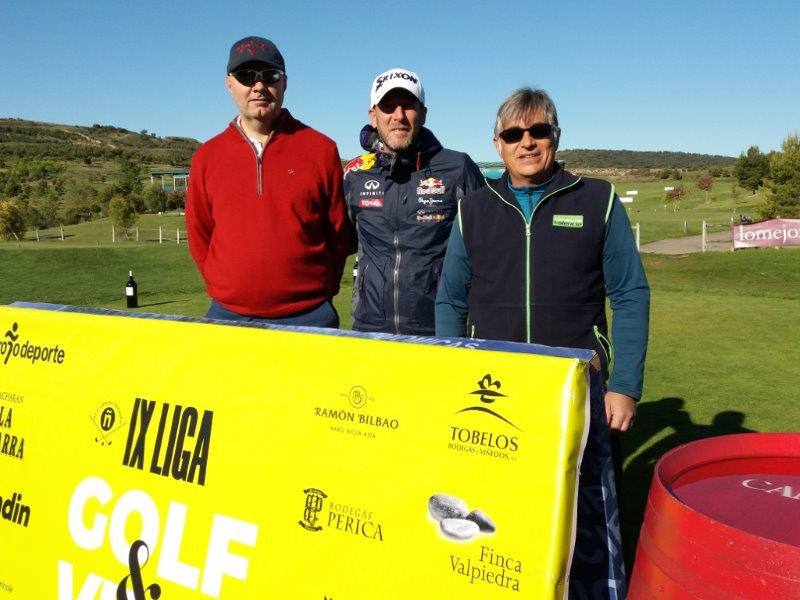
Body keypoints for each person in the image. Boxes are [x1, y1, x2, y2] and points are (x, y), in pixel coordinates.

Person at [435, 87, 650, 597]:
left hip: (579, 391)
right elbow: (450, 301)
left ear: (556, 136)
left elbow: (630, 293)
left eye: (538, 131)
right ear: (498, 143)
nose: (526, 142)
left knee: (588, 513)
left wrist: (624, 384)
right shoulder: (473, 208)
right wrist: (450, 374)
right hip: (494, 394)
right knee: (499, 510)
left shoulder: (597, 198)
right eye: (513, 134)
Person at [186, 36, 351, 328]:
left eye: (270, 76)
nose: (259, 86)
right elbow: (200, 235)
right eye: (247, 76)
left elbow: (337, 234)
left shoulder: (321, 149)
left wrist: (321, 293)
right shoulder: (206, 157)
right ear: (229, 84)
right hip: (228, 316)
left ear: (284, 82)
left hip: (310, 316)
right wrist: (227, 288)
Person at [344, 68, 484, 335]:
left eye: (408, 105)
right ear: (373, 116)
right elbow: (341, 242)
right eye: (388, 106)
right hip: (369, 332)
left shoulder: (457, 168)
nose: (399, 116)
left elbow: (487, 250)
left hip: (439, 332)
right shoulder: (355, 174)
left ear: (423, 113)